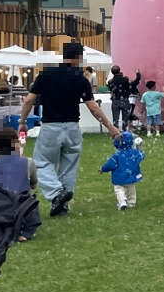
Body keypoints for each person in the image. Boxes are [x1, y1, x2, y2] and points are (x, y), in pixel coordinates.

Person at [20, 41, 119, 217]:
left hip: (51, 126)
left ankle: (57, 194)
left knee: (42, 163)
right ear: (79, 58)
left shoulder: (46, 75)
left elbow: (29, 100)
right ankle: (62, 206)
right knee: (68, 167)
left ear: (63, 55)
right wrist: (110, 127)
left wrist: (22, 122)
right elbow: (94, 108)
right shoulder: (81, 79)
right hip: (73, 127)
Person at [0, 128, 39, 241]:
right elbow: (34, 185)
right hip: (21, 205)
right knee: (32, 202)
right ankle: (25, 232)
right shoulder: (28, 162)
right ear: (16, 144)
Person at [100, 131, 145, 209]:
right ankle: (131, 202)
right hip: (132, 176)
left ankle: (122, 201)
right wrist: (138, 147)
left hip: (119, 177)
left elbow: (110, 164)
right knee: (131, 189)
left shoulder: (117, 155)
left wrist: (103, 169)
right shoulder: (135, 153)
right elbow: (142, 156)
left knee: (119, 188)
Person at [106, 66, 141, 130]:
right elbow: (133, 85)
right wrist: (138, 76)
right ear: (119, 70)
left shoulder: (110, 82)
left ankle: (116, 131)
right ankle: (124, 130)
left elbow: (111, 91)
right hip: (125, 100)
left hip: (115, 101)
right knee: (125, 118)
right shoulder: (125, 80)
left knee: (115, 118)